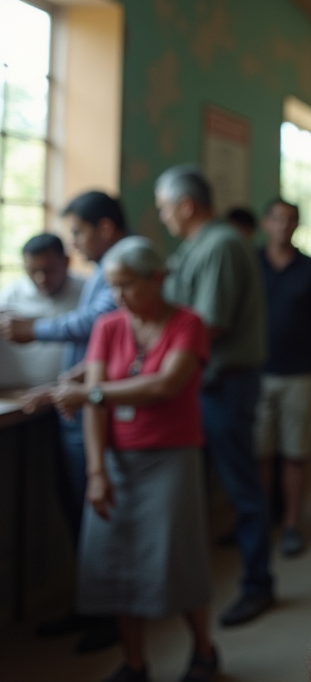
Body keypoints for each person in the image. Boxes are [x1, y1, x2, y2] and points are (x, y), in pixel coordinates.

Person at [52, 236, 216, 682]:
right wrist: (96, 470)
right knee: (115, 562)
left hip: (171, 458)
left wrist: (91, 391)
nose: (121, 296)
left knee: (174, 558)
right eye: (114, 286)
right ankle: (134, 662)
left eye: (129, 285)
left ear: (157, 278)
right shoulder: (108, 326)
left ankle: (203, 650)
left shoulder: (188, 324)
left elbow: (165, 384)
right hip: (118, 460)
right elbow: (96, 408)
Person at [2, 193, 127, 652]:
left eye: (78, 232)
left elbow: (100, 325)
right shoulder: (101, 269)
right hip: (72, 404)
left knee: (96, 520)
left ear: (105, 229)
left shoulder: (117, 266)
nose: (76, 243)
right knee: (78, 519)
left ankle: (110, 617)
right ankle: (91, 608)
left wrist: (34, 329)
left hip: (92, 411)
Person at [155, 165, 274, 627]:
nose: (164, 218)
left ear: (187, 205)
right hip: (205, 385)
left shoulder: (221, 245)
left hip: (226, 384)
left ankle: (257, 583)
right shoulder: (198, 245)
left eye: (165, 209)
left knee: (243, 489)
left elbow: (209, 324)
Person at [256, 198, 311, 555]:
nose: (284, 225)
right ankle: (263, 520)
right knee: (261, 453)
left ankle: (292, 522)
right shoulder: (252, 264)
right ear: (267, 224)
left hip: (300, 374)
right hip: (257, 373)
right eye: (278, 219)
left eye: (291, 219)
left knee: (295, 452)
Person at [0, 234, 84, 386]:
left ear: (66, 262)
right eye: (32, 271)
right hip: (16, 396)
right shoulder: (9, 296)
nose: (41, 279)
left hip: (69, 395)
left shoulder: (87, 293)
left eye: (49, 270)